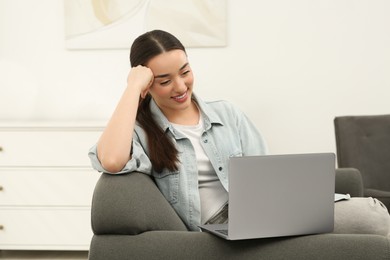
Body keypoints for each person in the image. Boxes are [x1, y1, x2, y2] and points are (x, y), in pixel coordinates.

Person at [89, 30, 390, 235]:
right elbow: (113, 159)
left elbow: (264, 170)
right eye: (164, 80)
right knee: (373, 218)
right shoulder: (143, 132)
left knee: (368, 213)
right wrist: (132, 87)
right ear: (147, 85)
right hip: (222, 225)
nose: (180, 87)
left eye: (185, 71)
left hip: (264, 210)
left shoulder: (226, 113)